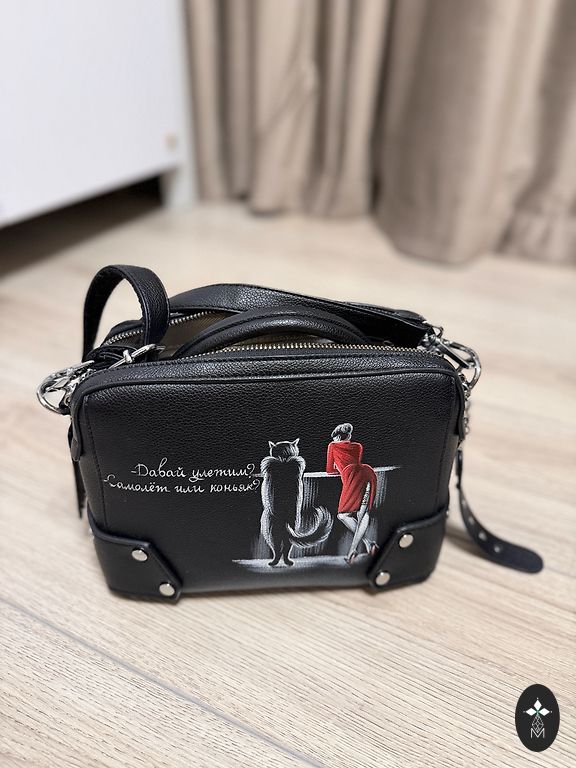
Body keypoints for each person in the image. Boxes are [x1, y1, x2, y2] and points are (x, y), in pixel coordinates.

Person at [326, 423, 378, 564]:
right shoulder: (358, 446)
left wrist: (339, 468)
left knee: (343, 515)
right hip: (367, 472)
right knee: (363, 512)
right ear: (348, 436)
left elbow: (329, 470)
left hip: (352, 477)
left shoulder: (332, 446)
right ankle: (369, 544)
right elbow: (356, 462)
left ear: (337, 437)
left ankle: (353, 551)